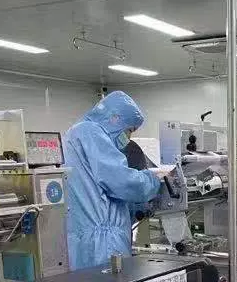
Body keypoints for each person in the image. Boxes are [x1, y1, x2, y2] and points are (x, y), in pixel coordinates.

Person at [63, 91, 172, 270]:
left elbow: (103, 193)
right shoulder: (90, 132)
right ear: (115, 119)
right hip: (102, 244)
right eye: (130, 130)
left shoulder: (77, 133)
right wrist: (154, 180)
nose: (128, 138)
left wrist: (138, 207)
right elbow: (121, 182)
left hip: (88, 240)